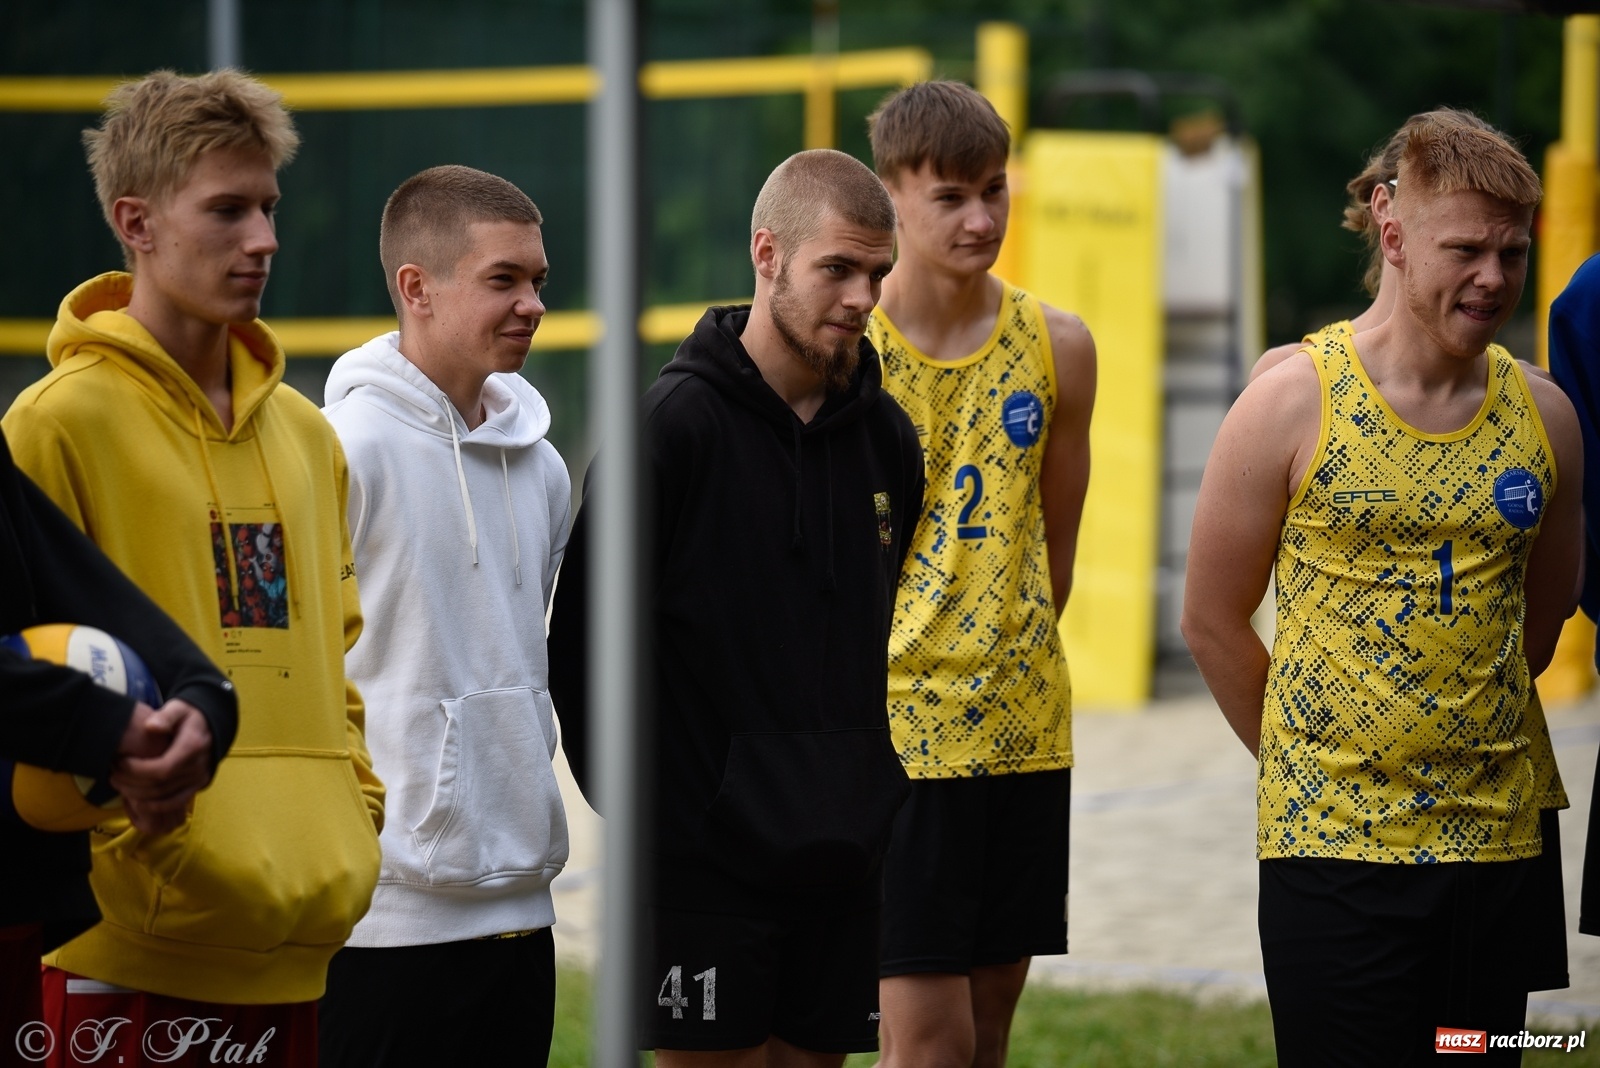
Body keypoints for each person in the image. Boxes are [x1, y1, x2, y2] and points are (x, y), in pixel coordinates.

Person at [2, 69, 383, 1062]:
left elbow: (337, 671)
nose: (262, 239)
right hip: (121, 957)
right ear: (137, 221)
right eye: (226, 210)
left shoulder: (309, 436)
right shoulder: (55, 425)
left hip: (301, 934)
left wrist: (352, 826)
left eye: (268, 207)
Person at [1183, 115, 1581, 1065]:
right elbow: (1209, 620)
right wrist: (1309, 761)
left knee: (1476, 1057)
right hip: (1336, 857)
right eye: (1466, 249)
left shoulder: (1548, 417)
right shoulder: (1291, 401)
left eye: (1512, 252)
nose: (1493, 276)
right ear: (1391, 228)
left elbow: (1543, 617)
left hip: (1496, 854)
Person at [547, 148, 925, 1066]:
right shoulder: (670, 432)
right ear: (767, 255)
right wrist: (656, 821)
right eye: (837, 268)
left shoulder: (886, 436)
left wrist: (868, 798)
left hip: (842, 853)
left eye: (877, 273)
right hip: (699, 866)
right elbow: (584, 653)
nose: (862, 298)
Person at [862, 80, 1095, 1068]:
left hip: (1023, 732)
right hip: (894, 737)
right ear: (889, 203)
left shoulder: (1059, 346)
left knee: (988, 1034)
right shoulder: (844, 346)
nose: (981, 217)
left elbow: (1055, 553)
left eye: (994, 191)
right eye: (950, 196)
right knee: (926, 1045)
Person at [317, 165, 571, 1065]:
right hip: (381, 921)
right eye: (504, 279)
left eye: (538, 279)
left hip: (522, 910)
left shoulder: (543, 469)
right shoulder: (344, 451)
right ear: (415, 288)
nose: (533, 303)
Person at [0, 427, 238, 1058]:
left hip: (13, 912)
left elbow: (77, 579)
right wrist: (96, 725)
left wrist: (202, 702)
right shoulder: (55, 421)